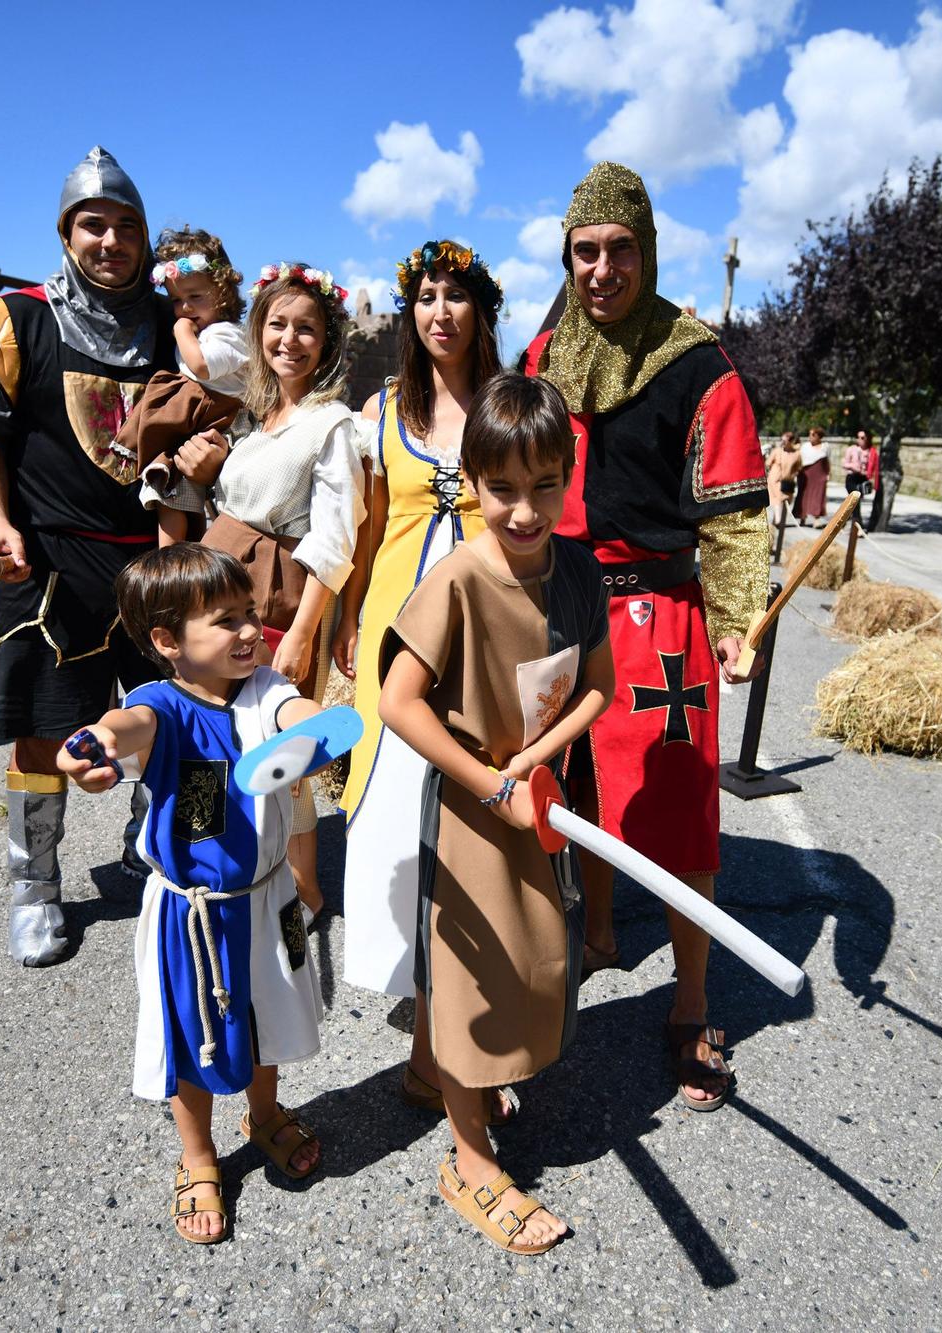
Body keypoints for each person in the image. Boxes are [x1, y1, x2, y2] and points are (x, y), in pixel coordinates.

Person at [523, 161, 770, 1112]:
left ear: (648, 251)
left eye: (620, 249)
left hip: (657, 615)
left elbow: (737, 513)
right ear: (567, 257)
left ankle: (693, 1001)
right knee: (569, 786)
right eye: (585, 251)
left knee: (675, 814)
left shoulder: (698, 364)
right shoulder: (546, 354)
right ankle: (596, 941)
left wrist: (739, 621)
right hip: (560, 606)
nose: (602, 269)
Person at [377, 372, 612, 1254]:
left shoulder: (579, 570)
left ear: (567, 476)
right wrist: (490, 781)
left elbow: (599, 688)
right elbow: (400, 702)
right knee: (473, 975)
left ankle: (437, 1073)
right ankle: (470, 1161)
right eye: (502, 488)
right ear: (472, 480)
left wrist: (538, 762)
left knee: (534, 956)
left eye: (544, 485)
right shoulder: (459, 578)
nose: (523, 509)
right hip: (479, 810)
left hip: (538, 798)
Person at [60, 545, 326, 1244]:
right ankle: (199, 1153)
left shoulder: (265, 690)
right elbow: (125, 729)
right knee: (190, 1032)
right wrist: (91, 745)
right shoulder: (164, 706)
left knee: (272, 1012)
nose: (248, 631)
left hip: (270, 900)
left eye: (249, 614)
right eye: (224, 620)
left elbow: (298, 710)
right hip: (193, 916)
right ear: (167, 642)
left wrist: (315, 725)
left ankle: (265, 1113)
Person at [0, 147, 176, 967]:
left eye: (125, 226)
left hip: (151, 565)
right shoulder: (19, 321)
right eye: (94, 224)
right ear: (65, 232)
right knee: (44, 736)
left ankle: (153, 843)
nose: (110, 240)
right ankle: (35, 885)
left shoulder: (166, 325)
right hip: (43, 561)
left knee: (169, 717)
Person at [333, 240, 516, 1124]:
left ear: (482, 310)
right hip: (395, 639)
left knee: (473, 831)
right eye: (427, 296)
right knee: (399, 819)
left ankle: (456, 1039)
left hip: (485, 638)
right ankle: (431, 1043)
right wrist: (333, 618)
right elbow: (366, 534)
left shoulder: (510, 409)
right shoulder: (376, 416)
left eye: (457, 296)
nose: (440, 310)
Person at [149, 262, 363, 919]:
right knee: (209, 732)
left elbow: (334, 537)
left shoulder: (334, 424)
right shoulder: (262, 416)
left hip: (272, 602)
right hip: (221, 587)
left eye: (307, 328)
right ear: (258, 330)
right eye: (277, 325)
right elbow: (238, 505)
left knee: (273, 742)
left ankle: (304, 887)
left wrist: (303, 632)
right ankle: (207, 861)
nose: (290, 340)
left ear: (326, 341)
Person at [117, 226, 248, 546]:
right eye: (176, 300)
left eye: (195, 297)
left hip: (214, 417)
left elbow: (202, 365)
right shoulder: (208, 331)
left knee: (176, 486)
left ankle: (171, 553)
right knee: (168, 488)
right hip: (197, 418)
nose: (185, 308)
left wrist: (181, 331)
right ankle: (169, 552)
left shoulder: (228, 334)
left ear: (224, 293)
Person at [765, 432, 801, 536]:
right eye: (782, 440)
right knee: (778, 500)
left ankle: (775, 524)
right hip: (775, 479)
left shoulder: (797, 454)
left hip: (788, 481)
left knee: (786, 501)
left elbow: (798, 467)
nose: (783, 443)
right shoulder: (777, 451)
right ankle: (778, 520)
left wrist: (794, 474)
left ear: (791, 441)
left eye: (785, 441)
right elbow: (768, 463)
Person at [842, 427, 876, 529]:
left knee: (853, 502)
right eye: (858, 437)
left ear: (867, 438)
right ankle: (858, 526)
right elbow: (844, 463)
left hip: (862, 478)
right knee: (855, 501)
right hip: (852, 477)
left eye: (862, 437)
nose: (860, 439)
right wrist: (853, 467)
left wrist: (866, 472)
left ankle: (845, 521)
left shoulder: (871, 452)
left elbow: (873, 468)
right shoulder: (851, 449)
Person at [797, 426, 830, 525]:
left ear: (819, 436)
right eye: (810, 434)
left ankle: (816, 519)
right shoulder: (805, 446)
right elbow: (799, 460)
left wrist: (827, 474)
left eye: (813, 434)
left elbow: (827, 462)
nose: (810, 436)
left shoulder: (825, 446)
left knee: (818, 496)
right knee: (804, 495)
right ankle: (802, 517)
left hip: (820, 474)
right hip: (806, 473)